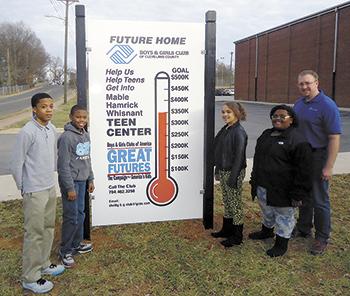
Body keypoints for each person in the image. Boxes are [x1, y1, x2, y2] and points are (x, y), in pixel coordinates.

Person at [11, 93, 65, 294]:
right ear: (34, 109)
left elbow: (51, 158)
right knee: (34, 233)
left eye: (51, 106)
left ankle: (44, 263)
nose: (49, 110)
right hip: (34, 190)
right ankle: (30, 277)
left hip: (49, 186)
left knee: (48, 227)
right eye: (44, 107)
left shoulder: (51, 129)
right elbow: (17, 162)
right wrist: (23, 187)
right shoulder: (27, 132)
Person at [249, 105, 313, 257]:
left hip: (283, 190)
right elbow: (258, 160)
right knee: (267, 212)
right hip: (263, 186)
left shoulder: (298, 140)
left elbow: (304, 171)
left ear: (291, 120)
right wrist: (254, 180)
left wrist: (298, 194)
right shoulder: (266, 134)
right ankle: (266, 232)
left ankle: (281, 244)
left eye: (282, 116)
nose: (277, 118)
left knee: (284, 217)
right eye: (274, 116)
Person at [293, 70, 342, 255]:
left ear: (316, 83)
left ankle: (322, 237)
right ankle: (304, 228)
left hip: (318, 156)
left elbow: (334, 138)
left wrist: (328, 166)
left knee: (320, 199)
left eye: (308, 83)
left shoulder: (327, 105)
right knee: (304, 195)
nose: (304, 86)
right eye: (301, 84)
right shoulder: (298, 104)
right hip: (302, 157)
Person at [58, 104, 95, 268]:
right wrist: (69, 188)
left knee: (80, 214)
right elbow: (63, 166)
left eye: (84, 117)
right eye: (78, 117)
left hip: (82, 181)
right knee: (71, 217)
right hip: (71, 183)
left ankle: (77, 243)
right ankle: (65, 251)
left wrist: (91, 178)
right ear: (71, 117)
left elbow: (87, 159)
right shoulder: (66, 137)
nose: (81, 120)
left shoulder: (85, 134)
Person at [211, 102, 247, 248]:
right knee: (227, 201)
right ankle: (227, 229)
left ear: (237, 114)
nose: (225, 115)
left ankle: (237, 236)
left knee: (235, 204)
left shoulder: (239, 132)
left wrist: (233, 177)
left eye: (229, 112)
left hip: (234, 171)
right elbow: (218, 150)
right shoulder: (226, 129)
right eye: (223, 112)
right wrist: (217, 169)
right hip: (224, 170)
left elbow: (239, 157)